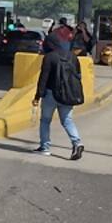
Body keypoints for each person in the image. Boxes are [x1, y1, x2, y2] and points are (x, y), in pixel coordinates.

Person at [32, 31, 85, 160]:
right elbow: (78, 76)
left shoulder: (49, 57)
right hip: (68, 94)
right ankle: (77, 143)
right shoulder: (72, 56)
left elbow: (43, 79)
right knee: (67, 120)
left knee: (45, 121)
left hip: (51, 94)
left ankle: (45, 147)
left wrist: (37, 96)